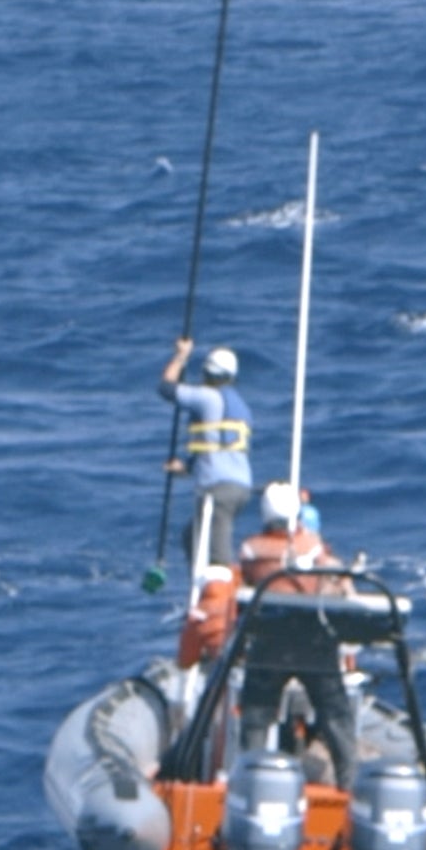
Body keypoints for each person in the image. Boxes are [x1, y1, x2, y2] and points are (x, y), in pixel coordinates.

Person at [236, 481, 358, 789]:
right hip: (315, 646)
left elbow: (242, 586)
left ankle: (250, 783)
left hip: (268, 646)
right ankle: (350, 785)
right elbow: (337, 580)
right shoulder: (314, 548)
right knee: (336, 717)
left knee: (256, 717)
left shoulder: (251, 551)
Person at [158, 336, 252, 570]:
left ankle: (219, 597)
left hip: (218, 489)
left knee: (216, 553)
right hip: (240, 486)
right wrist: (186, 468)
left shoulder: (207, 397)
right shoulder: (241, 407)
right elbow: (219, 446)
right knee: (193, 537)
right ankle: (203, 589)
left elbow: (166, 388)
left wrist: (181, 356)